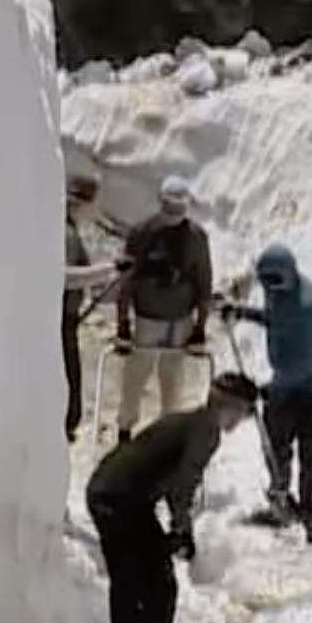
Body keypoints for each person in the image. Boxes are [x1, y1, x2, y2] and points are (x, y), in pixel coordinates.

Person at [87, 371, 263, 623]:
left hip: (116, 494)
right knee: (151, 587)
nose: (242, 421)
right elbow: (183, 484)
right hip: (121, 501)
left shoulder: (190, 422)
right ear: (231, 405)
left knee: (138, 584)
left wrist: (178, 528)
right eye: (244, 412)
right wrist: (182, 528)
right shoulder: (205, 431)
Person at [222, 244, 312, 542]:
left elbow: (307, 363)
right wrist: (243, 313)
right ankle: (280, 503)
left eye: (273, 281)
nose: (268, 288)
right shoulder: (278, 293)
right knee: (275, 442)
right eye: (264, 281)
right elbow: (275, 318)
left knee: (310, 452)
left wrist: (271, 388)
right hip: (286, 382)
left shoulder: (308, 307)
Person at [114, 175, 216, 435]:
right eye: (169, 207)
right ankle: (125, 428)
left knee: (172, 382)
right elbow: (126, 279)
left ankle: (166, 433)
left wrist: (200, 327)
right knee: (135, 377)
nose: (174, 214)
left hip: (180, 321)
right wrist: (122, 324)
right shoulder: (141, 233)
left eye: (178, 208)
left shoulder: (196, 238)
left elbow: (204, 283)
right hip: (147, 318)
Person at [63, 174, 122, 441]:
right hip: (59, 322)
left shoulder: (67, 230)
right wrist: (108, 269)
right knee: (67, 397)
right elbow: (63, 276)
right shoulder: (66, 234)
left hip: (65, 320)